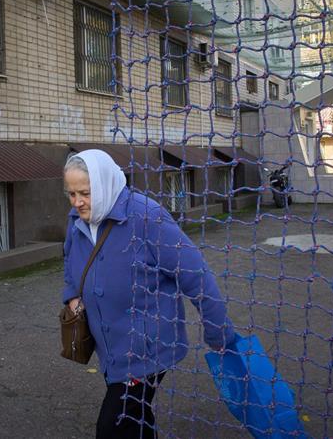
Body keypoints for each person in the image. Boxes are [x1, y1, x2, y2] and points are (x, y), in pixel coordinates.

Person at [60, 150, 236, 439]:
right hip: (109, 347)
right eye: (71, 193)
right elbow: (69, 257)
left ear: (104, 185)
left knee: (113, 427)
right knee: (136, 417)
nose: (77, 202)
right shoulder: (77, 217)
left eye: (85, 193)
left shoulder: (147, 217)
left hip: (145, 348)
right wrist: (72, 295)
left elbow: (196, 275)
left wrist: (220, 335)